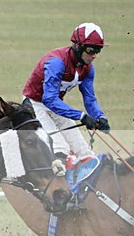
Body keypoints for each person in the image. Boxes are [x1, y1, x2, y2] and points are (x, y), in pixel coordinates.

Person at [22, 22, 110, 161]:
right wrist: (81, 116)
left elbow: (90, 99)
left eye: (98, 50)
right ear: (78, 46)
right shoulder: (56, 62)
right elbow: (49, 99)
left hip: (57, 107)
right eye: (91, 50)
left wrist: (100, 117)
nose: (94, 56)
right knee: (60, 146)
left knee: (83, 150)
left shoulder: (87, 68)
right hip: (34, 105)